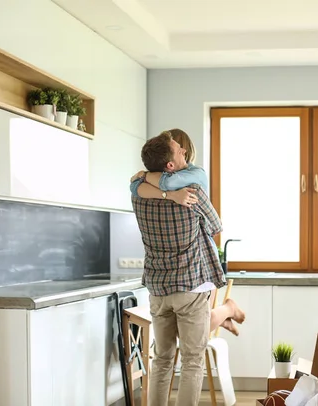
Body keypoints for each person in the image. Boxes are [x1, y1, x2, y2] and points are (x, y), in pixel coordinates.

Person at [130, 131, 240, 406]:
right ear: (170, 166)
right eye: (179, 151)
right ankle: (228, 312)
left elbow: (136, 183)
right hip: (190, 286)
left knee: (163, 360)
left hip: (157, 289)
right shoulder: (193, 191)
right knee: (192, 361)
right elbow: (216, 226)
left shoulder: (139, 196)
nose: (184, 155)